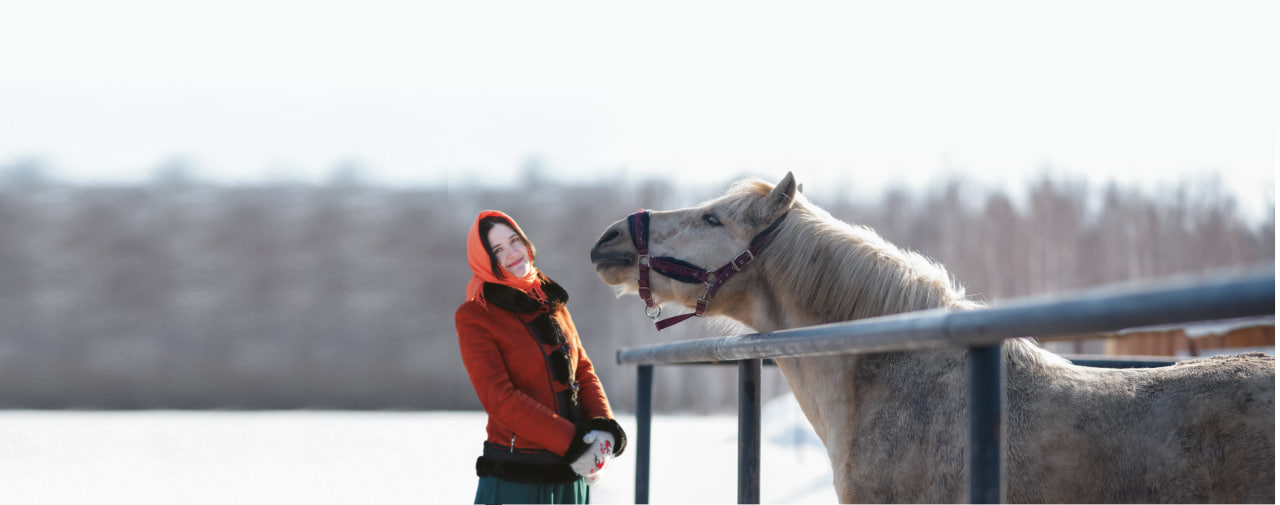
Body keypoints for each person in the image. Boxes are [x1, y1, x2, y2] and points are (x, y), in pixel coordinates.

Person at [456, 210, 627, 504]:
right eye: (497, 250)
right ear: (485, 260)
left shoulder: (552, 302)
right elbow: (499, 398)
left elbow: (582, 370)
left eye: (514, 241)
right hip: (517, 478)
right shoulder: (476, 315)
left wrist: (602, 425)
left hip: (571, 477)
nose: (512, 253)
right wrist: (573, 444)